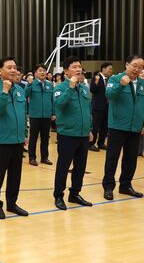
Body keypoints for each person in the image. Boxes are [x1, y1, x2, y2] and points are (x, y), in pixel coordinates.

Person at [0, 57, 28, 220]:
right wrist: (4, 91)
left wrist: (25, 134)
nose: (13, 70)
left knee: (15, 175)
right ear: (0, 71)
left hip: (18, 140)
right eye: (9, 67)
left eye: (15, 68)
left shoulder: (20, 90)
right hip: (1, 141)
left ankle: (12, 203)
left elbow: (23, 114)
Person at [53, 56, 93, 210]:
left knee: (80, 167)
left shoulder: (84, 88)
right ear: (65, 71)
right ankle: (58, 195)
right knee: (63, 166)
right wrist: (70, 88)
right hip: (67, 134)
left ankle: (75, 193)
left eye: (79, 66)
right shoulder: (60, 88)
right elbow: (59, 105)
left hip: (83, 134)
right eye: (74, 67)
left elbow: (87, 111)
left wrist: (89, 129)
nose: (78, 69)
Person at [102, 55, 144, 200]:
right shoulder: (115, 79)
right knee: (112, 158)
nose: (137, 69)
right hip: (117, 126)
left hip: (135, 127)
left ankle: (125, 185)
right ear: (126, 64)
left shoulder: (142, 83)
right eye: (134, 65)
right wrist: (121, 84)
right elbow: (109, 95)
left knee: (131, 159)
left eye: (140, 66)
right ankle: (108, 187)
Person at [25, 64, 54, 166]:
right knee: (33, 138)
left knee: (45, 138)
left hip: (47, 115)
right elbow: (26, 94)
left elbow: (52, 100)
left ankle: (44, 157)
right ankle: (32, 157)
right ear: (35, 73)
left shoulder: (50, 85)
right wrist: (29, 84)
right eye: (40, 70)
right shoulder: (31, 84)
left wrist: (53, 112)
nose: (42, 72)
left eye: (44, 71)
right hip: (35, 115)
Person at [89, 62, 113, 151]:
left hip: (107, 106)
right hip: (98, 106)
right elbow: (92, 89)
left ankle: (101, 143)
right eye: (109, 68)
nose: (111, 70)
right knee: (95, 125)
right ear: (103, 68)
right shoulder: (97, 77)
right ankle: (91, 143)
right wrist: (96, 81)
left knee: (105, 125)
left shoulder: (109, 79)